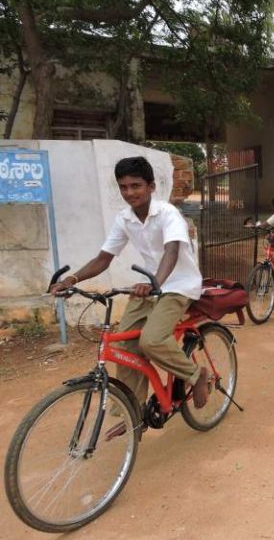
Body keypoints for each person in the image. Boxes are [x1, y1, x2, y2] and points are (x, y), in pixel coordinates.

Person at [49, 156, 209, 408]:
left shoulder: (168, 214)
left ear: (151, 187)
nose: (129, 192)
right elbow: (104, 258)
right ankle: (131, 408)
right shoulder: (124, 219)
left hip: (178, 286)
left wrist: (155, 282)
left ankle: (195, 374)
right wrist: (72, 279)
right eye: (123, 187)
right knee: (123, 345)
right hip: (150, 287)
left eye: (136, 186)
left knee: (152, 340)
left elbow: (172, 252)